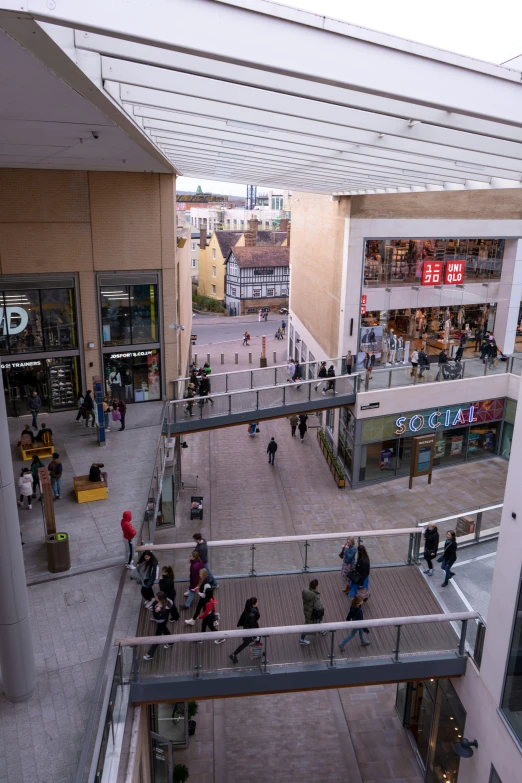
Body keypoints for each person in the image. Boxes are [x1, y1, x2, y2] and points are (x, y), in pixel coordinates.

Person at [143, 592, 174, 660]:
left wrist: (156, 611)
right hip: (163, 621)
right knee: (165, 630)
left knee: (157, 636)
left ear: (161, 599)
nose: (155, 598)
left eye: (157, 598)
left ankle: (150, 654)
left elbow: (158, 616)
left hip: (161, 621)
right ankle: (171, 642)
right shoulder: (166, 601)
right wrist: (154, 608)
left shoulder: (162, 608)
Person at [229, 597, 260, 664]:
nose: (258, 602)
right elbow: (251, 624)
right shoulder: (253, 612)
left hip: (250, 627)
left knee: (257, 637)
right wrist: (254, 636)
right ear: (253, 604)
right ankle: (234, 654)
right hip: (250, 630)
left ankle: (257, 642)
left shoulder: (249, 608)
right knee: (245, 643)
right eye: (257, 602)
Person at [299, 579, 326, 645]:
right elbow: (318, 606)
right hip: (312, 612)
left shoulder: (305, 590)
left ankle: (320, 630)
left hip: (307, 610)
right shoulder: (315, 595)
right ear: (316, 586)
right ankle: (301, 639)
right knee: (308, 625)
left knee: (315, 621)